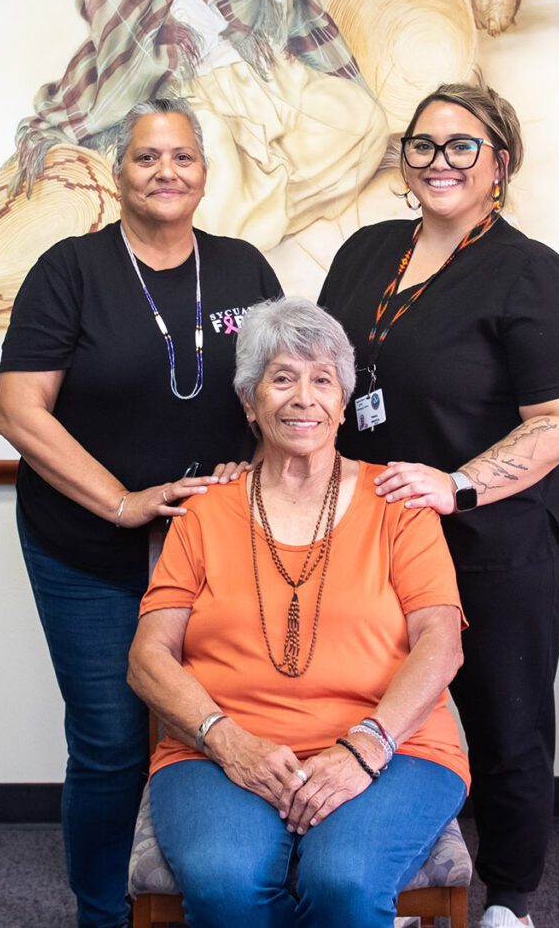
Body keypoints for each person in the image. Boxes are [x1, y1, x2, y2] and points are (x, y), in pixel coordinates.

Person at [317, 83, 559, 928]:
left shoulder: (535, 274)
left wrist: (459, 483)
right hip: (381, 533)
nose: (438, 161)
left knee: (503, 719)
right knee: (380, 707)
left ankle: (508, 901)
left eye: (462, 145)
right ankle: (392, 881)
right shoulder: (367, 252)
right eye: (423, 144)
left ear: (499, 164)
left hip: (500, 535)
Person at [0, 98, 282, 928]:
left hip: (219, 550)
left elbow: (281, 390)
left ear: (204, 171)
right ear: (118, 172)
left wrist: (251, 461)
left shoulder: (243, 268)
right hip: (87, 547)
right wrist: (123, 503)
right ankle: (101, 911)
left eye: (182, 157)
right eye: (148, 158)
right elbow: (19, 411)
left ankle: (216, 894)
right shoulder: (70, 269)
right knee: (113, 742)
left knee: (225, 723)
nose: (167, 172)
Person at [127, 297, 469, 928]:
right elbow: (148, 657)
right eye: (281, 379)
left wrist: (367, 746)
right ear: (250, 401)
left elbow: (441, 644)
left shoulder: (399, 502)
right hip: (218, 744)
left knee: (343, 880)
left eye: (322, 380)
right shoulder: (205, 511)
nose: (303, 398)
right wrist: (227, 742)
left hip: (393, 741)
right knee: (226, 881)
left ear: (344, 402)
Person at [14, 0, 388, 250]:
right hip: (181, 90)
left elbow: (272, 28)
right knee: (205, 154)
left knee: (362, 120)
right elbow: (128, 48)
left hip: (259, 75)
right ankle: (247, 214)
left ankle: (267, 204)